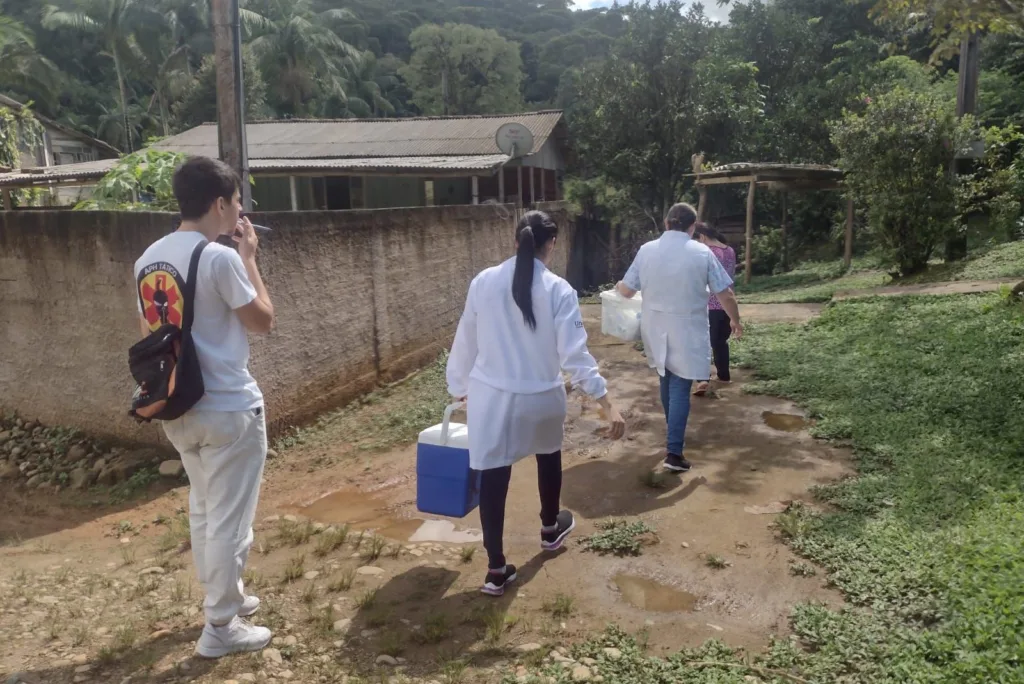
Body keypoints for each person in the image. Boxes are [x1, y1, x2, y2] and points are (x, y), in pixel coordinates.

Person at [133, 156, 275, 658]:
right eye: (236, 201)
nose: (238, 211)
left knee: (206, 508)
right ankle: (220, 626)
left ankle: (226, 596)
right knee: (230, 519)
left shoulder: (147, 259)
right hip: (228, 407)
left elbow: (152, 334)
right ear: (219, 203)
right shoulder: (219, 258)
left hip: (179, 405)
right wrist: (249, 257)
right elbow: (262, 320)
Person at [447, 210, 626, 597]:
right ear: (552, 245)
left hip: (492, 400)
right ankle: (549, 528)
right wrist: (606, 402)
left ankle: (496, 570)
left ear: (515, 241)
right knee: (548, 455)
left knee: (493, 477)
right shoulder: (559, 289)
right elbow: (575, 356)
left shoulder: (483, 282)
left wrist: (459, 386)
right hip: (542, 399)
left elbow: (466, 338)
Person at [616, 203, 743, 473]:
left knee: (666, 377)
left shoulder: (647, 250)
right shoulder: (702, 252)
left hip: (654, 327)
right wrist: (735, 319)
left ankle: (673, 431)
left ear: (666, 223)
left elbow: (626, 291)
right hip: (687, 329)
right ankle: (674, 453)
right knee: (680, 386)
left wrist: (618, 286)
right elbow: (725, 293)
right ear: (693, 226)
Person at [692, 223, 737, 395]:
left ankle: (702, 379)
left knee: (701, 342)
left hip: (709, 304)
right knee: (720, 342)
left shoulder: (707, 253)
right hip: (726, 304)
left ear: (702, 237)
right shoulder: (729, 250)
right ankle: (724, 375)